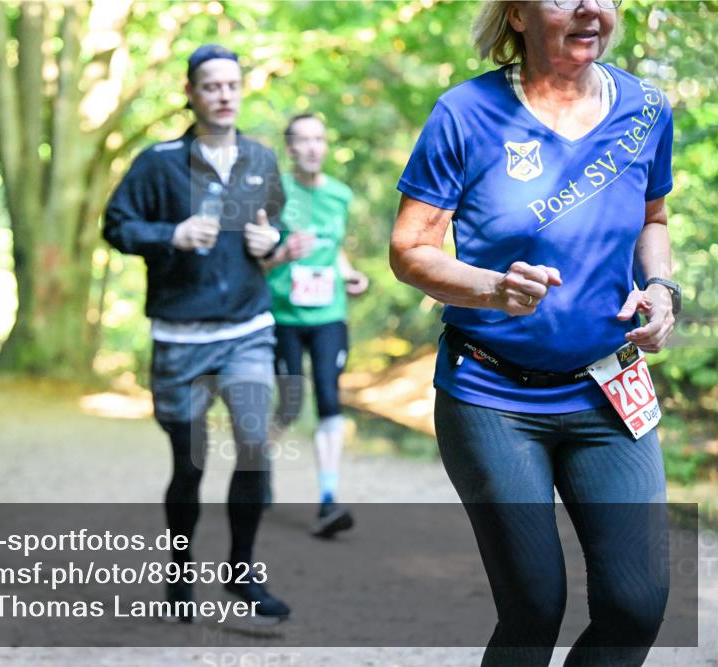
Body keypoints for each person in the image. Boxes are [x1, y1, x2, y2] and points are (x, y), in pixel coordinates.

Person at [390, 1, 677, 665]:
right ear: (516, 15)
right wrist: (491, 287)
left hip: (609, 389)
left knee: (635, 608)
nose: (588, 8)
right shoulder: (465, 114)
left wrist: (661, 288)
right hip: (490, 392)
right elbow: (410, 250)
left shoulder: (645, 109)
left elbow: (653, 218)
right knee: (533, 606)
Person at [103, 44, 290, 623]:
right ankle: (181, 576)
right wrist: (171, 234)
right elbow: (117, 225)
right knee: (190, 466)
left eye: (232, 85)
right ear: (190, 92)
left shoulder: (260, 159)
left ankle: (240, 571)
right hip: (179, 338)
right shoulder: (157, 163)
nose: (224, 95)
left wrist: (272, 246)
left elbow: (275, 228)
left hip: (247, 329)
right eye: (211, 86)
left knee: (256, 444)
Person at [262, 114, 368, 538]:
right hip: (283, 315)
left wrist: (350, 274)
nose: (311, 147)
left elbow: (334, 250)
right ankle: (259, 467)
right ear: (289, 149)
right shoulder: (273, 193)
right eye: (302, 141)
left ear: (325, 145)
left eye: (318, 139)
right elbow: (258, 257)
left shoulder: (340, 195)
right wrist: (283, 254)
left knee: (329, 397)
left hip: (329, 315)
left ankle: (328, 498)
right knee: (288, 405)